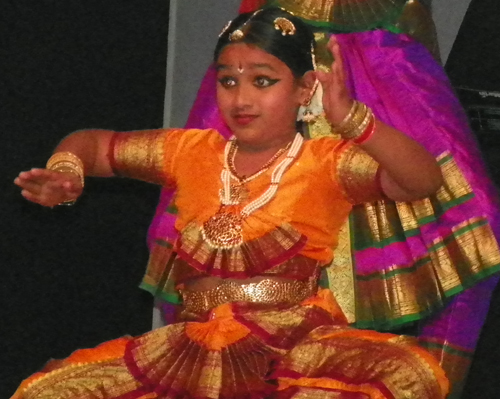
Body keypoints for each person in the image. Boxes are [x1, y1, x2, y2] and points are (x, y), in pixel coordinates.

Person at [12, 8, 449, 399]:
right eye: (228, 80)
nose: (241, 99)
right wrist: (67, 170)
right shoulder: (189, 152)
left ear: (304, 90)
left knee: (407, 375)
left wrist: (352, 117)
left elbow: (420, 180)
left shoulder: (326, 161)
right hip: (190, 348)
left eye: (263, 81)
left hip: (288, 351)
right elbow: (90, 144)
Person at [148, 2, 500, 397]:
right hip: (275, 62)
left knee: (476, 229)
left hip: (386, 73)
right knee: (214, 248)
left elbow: (410, 12)